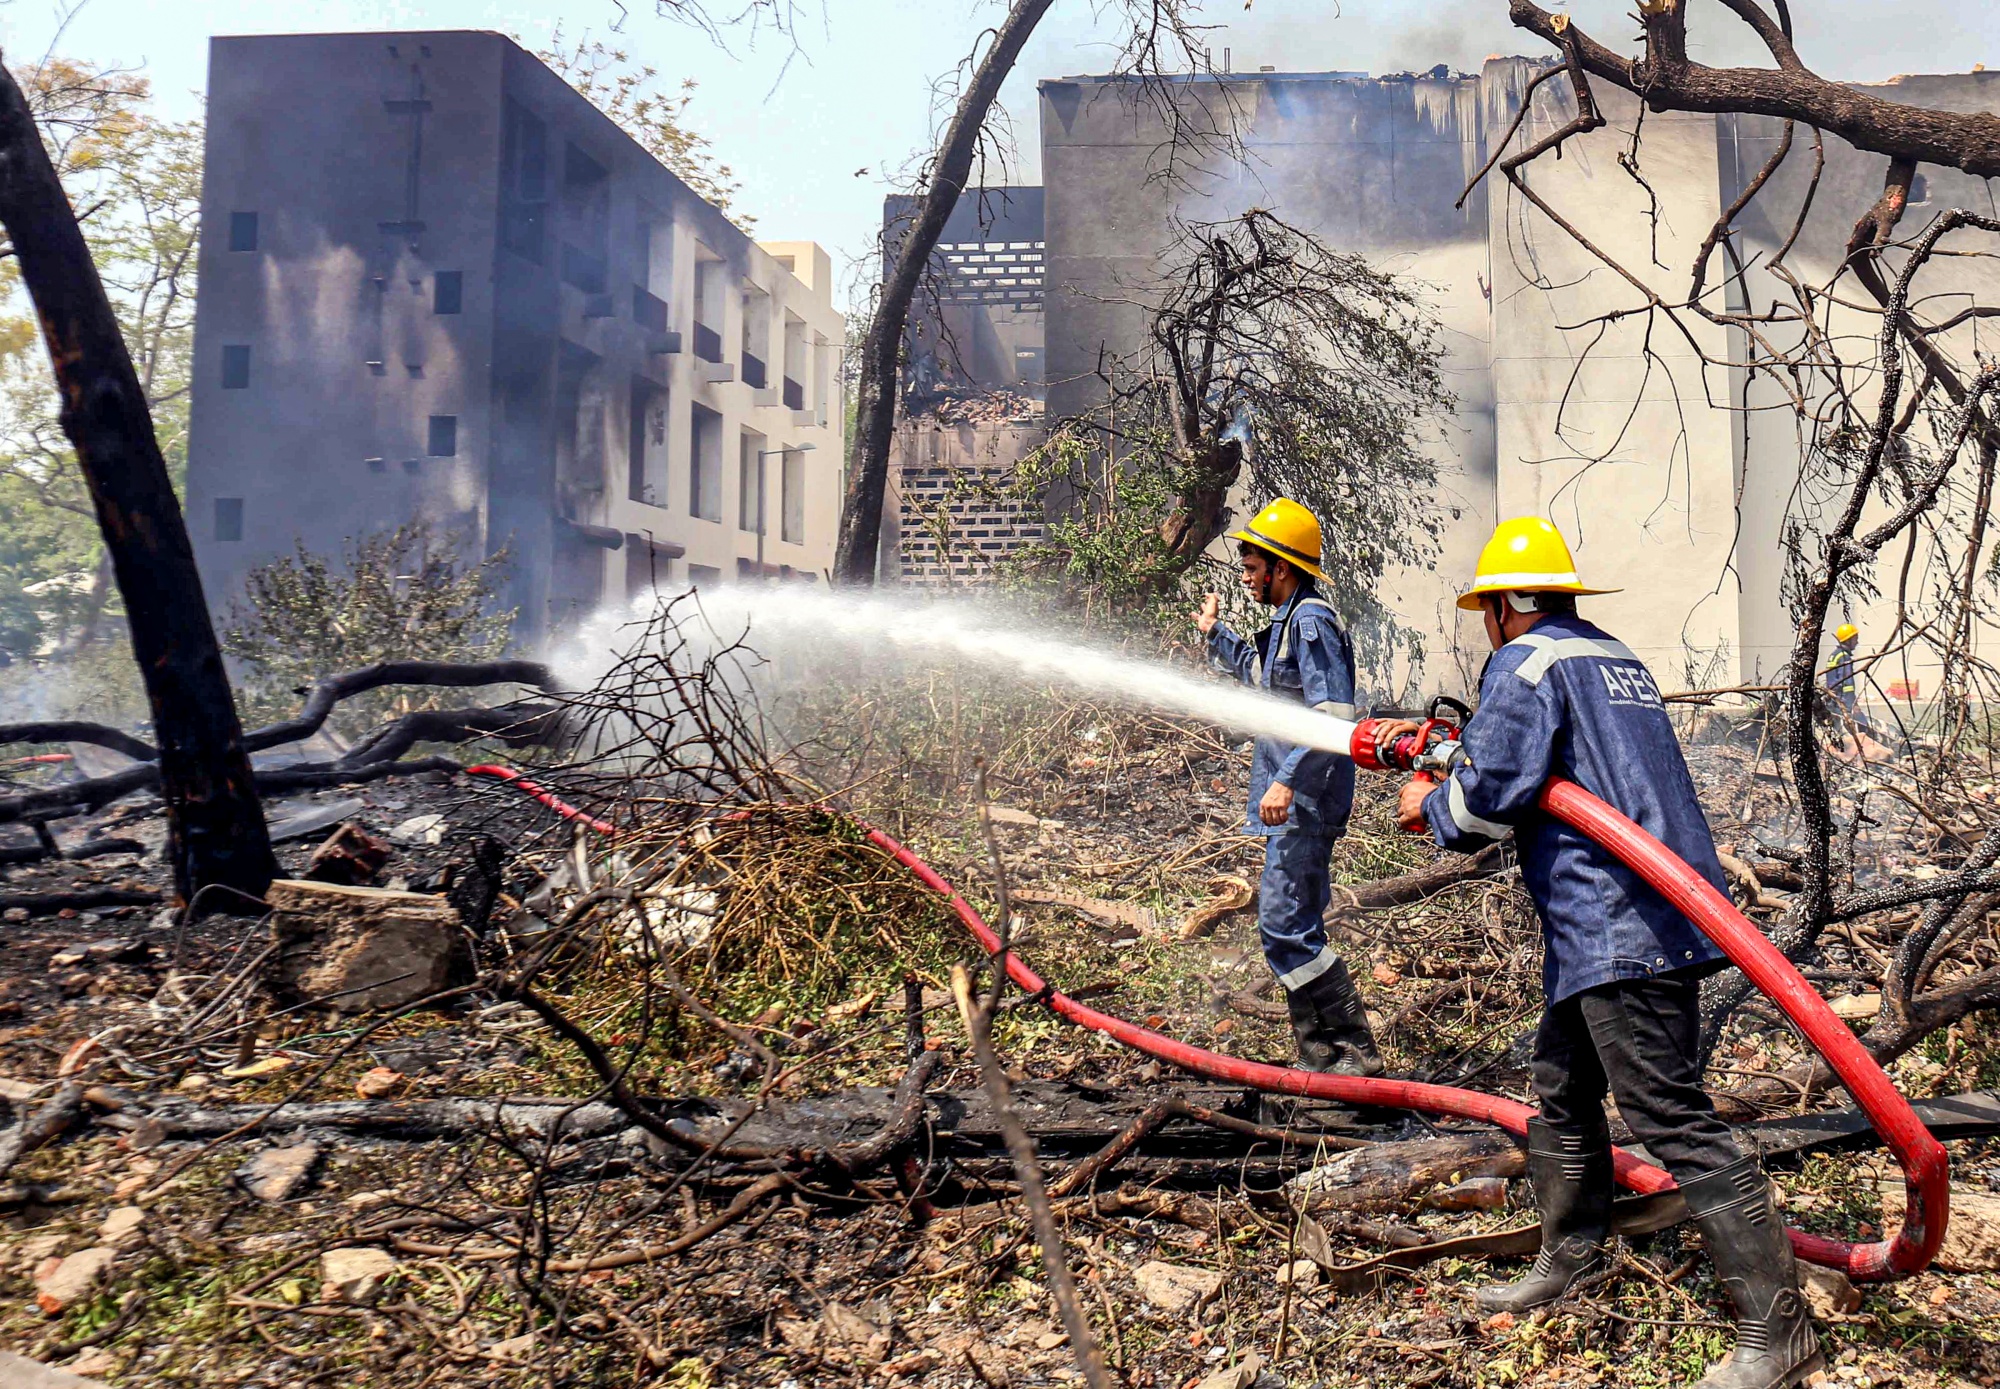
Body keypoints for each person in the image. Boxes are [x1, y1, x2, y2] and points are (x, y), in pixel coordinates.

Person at [1392, 516, 1819, 1389]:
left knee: (1669, 1115)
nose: (1487, 627)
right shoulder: (1612, 656)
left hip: (1615, 914)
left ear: (1508, 607)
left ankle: (1781, 1333)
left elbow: (1486, 806)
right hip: (1637, 909)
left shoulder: (1527, 661)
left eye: (1487, 611)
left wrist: (1428, 803)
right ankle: (1572, 1252)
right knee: (1563, 1084)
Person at [1196, 498, 1381, 1076]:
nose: (1247, 579)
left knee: (1280, 925)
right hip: (1299, 796)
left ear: (1281, 566)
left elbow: (1334, 711)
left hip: (1307, 795)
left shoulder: (1311, 620)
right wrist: (1215, 634)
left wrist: (1284, 780)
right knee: (1296, 923)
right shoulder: (1286, 623)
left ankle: (1353, 1053)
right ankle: (1326, 1058)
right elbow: (1263, 675)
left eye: (1252, 569)